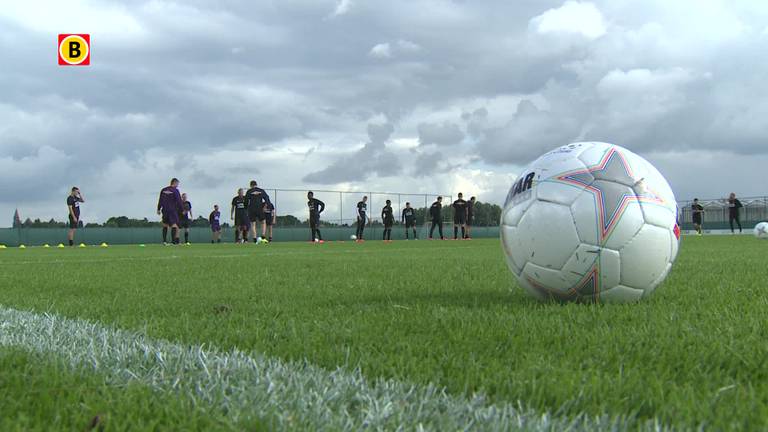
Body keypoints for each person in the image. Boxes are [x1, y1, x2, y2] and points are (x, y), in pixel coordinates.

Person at [157, 178, 183, 245]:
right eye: (177, 184)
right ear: (175, 183)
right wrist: (181, 209)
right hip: (172, 210)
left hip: (165, 210)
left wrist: (158, 209)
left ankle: (164, 241)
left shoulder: (163, 190)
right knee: (174, 225)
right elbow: (179, 201)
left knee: (165, 225)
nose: (177, 185)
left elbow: (160, 200)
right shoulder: (175, 190)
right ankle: (173, 241)